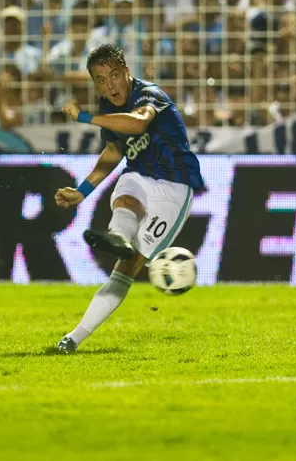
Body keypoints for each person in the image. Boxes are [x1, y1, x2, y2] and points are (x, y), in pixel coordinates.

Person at [53, 43, 204, 353]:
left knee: (127, 269)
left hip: (175, 188)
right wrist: (82, 191)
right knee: (127, 184)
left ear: (127, 72)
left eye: (114, 76)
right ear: (95, 84)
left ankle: (121, 243)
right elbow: (113, 152)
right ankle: (71, 340)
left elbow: (137, 123)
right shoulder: (109, 109)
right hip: (141, 177)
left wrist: (84, 117)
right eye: (101, 80)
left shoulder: (150, 94)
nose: (110, 85)